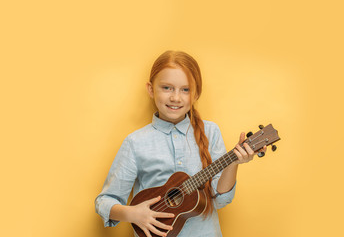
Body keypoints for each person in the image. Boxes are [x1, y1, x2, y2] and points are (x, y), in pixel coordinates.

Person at [95, 50, 266, 237]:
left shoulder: (211, 132)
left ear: (196, 94)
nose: (176, 98)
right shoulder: (135, 142)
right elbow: (104, 201)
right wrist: (133, 213)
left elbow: (219, 200)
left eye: (185, 90)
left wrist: (233, 163)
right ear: (151, 89)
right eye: (167, 88)